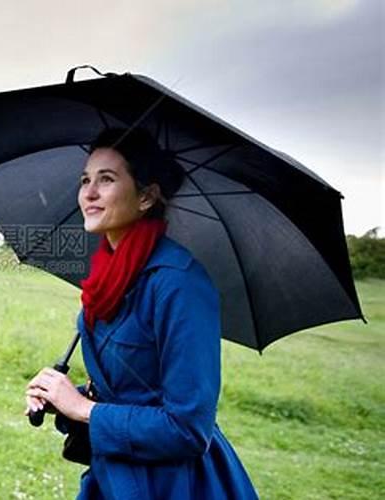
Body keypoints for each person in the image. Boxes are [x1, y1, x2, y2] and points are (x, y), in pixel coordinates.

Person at [25, 127, 259, 499]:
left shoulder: (180, 284)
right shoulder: (105, 278)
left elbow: (188, 428)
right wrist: (64, 398)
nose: (89, 192)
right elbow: (128, 391)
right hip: (112, 477)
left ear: (147, 196)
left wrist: (84, 408)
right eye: (85, 179)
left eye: (107, 179)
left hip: (174, 486)